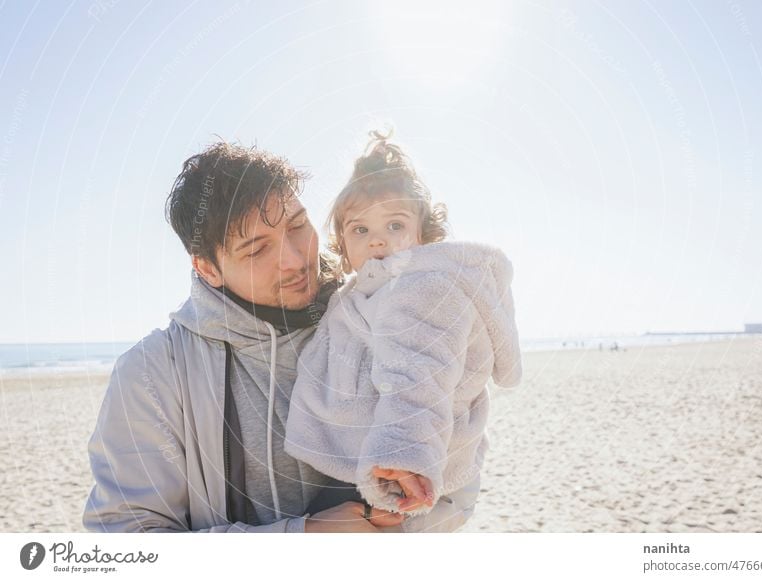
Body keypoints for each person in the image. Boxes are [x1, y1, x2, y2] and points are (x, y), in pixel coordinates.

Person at [82, 142, 405, 532]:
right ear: (207, 268)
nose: (294, 258)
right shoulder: (151, 374)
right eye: (256, 250)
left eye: (298, 226)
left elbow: (455, 483)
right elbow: (127, 538)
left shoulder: (377, 315)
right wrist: (307, 537)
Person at [284, 131, 523, 532]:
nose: (377, 238)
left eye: (394, 224)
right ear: (342, 243)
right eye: (359, 230)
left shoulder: (420, 287)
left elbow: (418, 376)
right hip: (397, 457)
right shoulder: (368, 291)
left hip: (403, 462)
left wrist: (403, 455)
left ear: (424, 235)